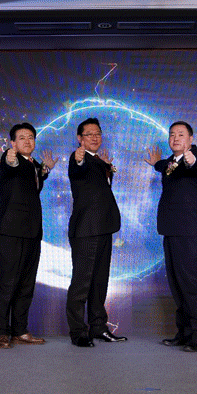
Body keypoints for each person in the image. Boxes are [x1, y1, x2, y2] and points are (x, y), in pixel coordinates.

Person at [146, 121, 197, 352]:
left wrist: (190, 159)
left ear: (191, 139)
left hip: (190, 232)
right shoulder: (170, 162)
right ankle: (184, 333)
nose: (175, 138)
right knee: (177, 285)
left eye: (181, 135)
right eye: (172, 134)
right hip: (171, 230)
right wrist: (156, 163)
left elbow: (194, 164)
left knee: (191, 285)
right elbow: (165, 165)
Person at [0, 123, 56, 349]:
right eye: (21, 138)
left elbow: (33, 181)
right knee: (8, 282)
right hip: (10, 232)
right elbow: (10, 165)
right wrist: (9, 158)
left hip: (32, 232)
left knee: (26, 285)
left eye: (31, 137)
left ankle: (20, 330)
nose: (27, 141)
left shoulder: (34, 165)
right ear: (13, 143)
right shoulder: (11, 160)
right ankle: (1, 332)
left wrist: (45, 170)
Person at [66, 117, 125, 347]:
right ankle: (78, 332)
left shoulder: (100, 162)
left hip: (104, 228)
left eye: (97, 133)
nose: (94, 137)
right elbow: (78, 167)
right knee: (82, 283)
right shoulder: (78, 158)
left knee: (100, 282)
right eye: (89, 134)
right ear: (79, 138)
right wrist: (79, 158)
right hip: (86, 230)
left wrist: (107, 168)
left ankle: (98, 327)